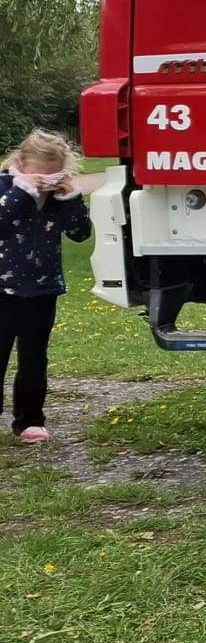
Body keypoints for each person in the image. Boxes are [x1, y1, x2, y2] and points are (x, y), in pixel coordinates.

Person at [0, 130, 92, 442]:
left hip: (42, 289)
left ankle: (29, 420)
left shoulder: (58, 198)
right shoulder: (5, 187)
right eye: (40, 175)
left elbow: (80, 233)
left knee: (34, 358)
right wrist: (23, 191)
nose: (45, 182)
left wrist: (70, 197)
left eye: (52, 176)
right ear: (21, 164)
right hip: (3, 288)